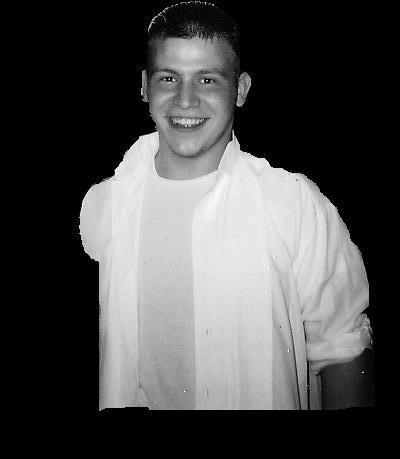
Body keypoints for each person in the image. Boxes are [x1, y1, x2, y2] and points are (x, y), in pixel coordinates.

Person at [79, 1, 374, 410]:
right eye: (169, 78)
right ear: (145, 86)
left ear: (241, 89)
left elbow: (344, 348)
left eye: (207, 80)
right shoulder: (100, 210)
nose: (186, 100)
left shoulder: (293, 205)